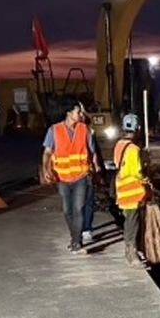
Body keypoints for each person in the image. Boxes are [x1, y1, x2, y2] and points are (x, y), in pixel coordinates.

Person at [41, 99, 98, 252]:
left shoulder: (84, 129)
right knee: (68, 210)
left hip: (81, 176)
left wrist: (96, 167)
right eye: (78, 111)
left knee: (78, 208)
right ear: (69, 113)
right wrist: (46, 169)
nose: (81, 114)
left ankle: (76, 241)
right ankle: (75, 236)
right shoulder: (54, 130)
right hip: (62, 177)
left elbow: (92, 152)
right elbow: (47, 152)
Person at [112, 113, 148, 266]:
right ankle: (132, 255)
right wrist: (146, 180)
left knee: (128, 220)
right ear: (138, 128)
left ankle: (130, 250)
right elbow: (136, 172)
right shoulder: (133, 149)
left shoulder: (119, 144)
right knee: (133, 222)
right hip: (132, 190)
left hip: (121, 188)